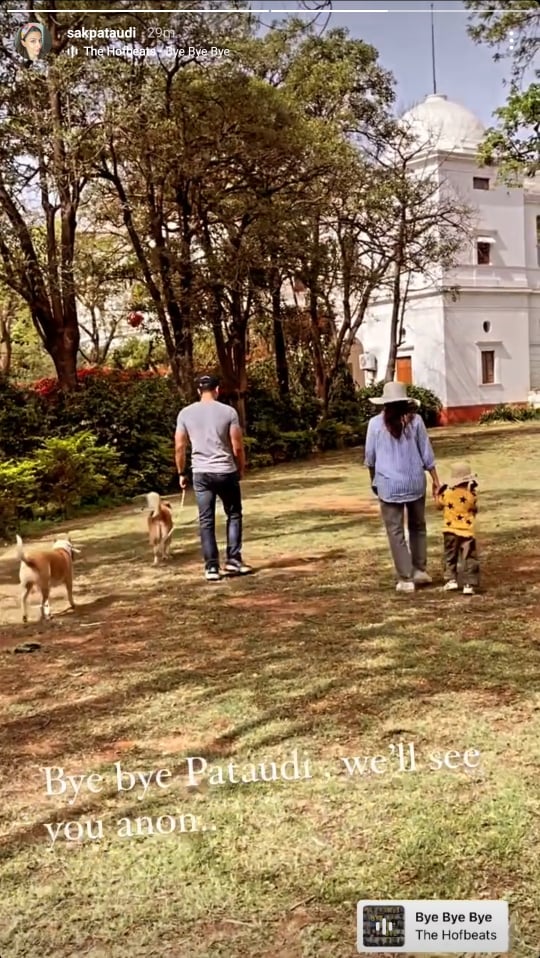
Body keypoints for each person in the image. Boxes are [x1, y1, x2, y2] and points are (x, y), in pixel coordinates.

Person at [364, 381, 441, 593]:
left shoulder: (374, 424)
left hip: (388, 484)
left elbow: (370, 458)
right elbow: (427, 453)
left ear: (385, 404)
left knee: (395, 531)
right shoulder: (416, 422)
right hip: (415, 481)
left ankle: (406, 578)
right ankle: (420, 570)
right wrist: (436, 479)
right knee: (418, 526)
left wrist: (374, 480)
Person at [175, 374, 252, 582]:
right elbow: (237, 446)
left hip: (201, 473)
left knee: (206, 520)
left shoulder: (185, 414)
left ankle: (211, 567)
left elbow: (180, 447)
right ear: (217, 389)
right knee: (234, 514)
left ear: (199, 391)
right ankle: (233, 560)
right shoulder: (228, 412)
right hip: (225, 470)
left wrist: (181, 473)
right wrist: (240, 468)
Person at [436, 461, 480, 595]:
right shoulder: (471, 495)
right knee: (469, 557)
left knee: (450, 555)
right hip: (467, 532)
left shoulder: (447, 494)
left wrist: (438, 493)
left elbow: (439, 505)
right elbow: (474, 508)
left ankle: (451, 580)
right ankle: (469, 584)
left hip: (450, 531)